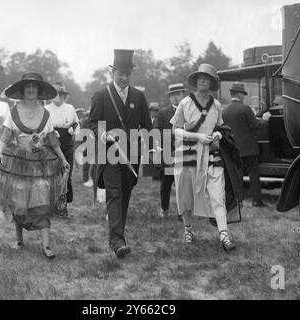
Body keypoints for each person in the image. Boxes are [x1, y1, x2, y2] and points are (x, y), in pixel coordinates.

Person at [0, 72, 70, 259]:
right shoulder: (13, 113)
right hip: (18, 162)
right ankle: (19, 240)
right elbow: (5, 138)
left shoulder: (46, 113)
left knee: (42, 199)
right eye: (28, 86)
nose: (31, 89)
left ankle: (46, 246)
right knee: (18, 200)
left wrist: (63, 159)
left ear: (39, 90)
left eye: (34, 86)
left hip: (41, 163)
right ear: (22, 90)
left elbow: (53, 140)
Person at [88, 49, 152, 258]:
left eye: (127, 74)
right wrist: (103, 134)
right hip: (109, 155)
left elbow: (147, 126)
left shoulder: (139, 97)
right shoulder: (101, 95)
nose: (124, 78)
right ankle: (117, 241)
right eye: (120, 74)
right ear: (112, 72)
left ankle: (117, 235)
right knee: (114, 193)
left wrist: (150, 144)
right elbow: (92, 124)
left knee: (125, 194)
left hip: (132, 156)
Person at [170, 63, 237, 252]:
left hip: (211, 156)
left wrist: (217, 135)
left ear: (212, 83)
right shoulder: (185, 103)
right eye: (200, 77)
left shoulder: (217, 105)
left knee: (218, 195)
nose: (202, 80)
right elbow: (175, 131)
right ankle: (188, 229)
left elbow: (221, 129)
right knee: (186, 196)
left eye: (206, 78)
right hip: (187, 155)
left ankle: (224, 235)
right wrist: (196, 136)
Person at [222, 82, 269, 207]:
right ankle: (256, 201)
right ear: (238, 94)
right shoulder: (245, 108)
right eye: (242, 94)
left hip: (234, 149)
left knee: (237, 176)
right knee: (253, 175)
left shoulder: (224, 110)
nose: (243, 96)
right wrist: (265, 119)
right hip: (249, 149)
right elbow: (256, 125)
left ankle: (238, 201)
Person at [45, 82, 80, 216]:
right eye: (55, 94)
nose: (57, 96)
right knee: (53, 175)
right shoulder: (46, 109)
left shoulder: (70, 108)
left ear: (63, 95)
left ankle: (62, 206)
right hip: (51, 142)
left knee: (66, 175)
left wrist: (73, 130)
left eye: (60, 94)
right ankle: (51, 205)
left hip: (67, 142)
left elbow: (77, 124)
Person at [154, 83, 188, 220]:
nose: (176, 97)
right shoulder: (163, 113)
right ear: (169, 98)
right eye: (173, 95)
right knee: (167, 182)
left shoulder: (190, 111)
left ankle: (182, 213)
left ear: (183, 95)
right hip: (169, 154)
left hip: (186, 152)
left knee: (183, 184)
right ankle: (164, 208)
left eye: (179, 94)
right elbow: (156, 131)